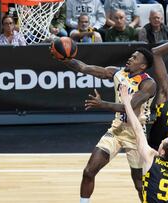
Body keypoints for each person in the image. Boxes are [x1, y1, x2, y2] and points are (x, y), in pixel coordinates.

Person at [55, 47, 157, 203]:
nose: (130, 59)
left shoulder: (148, 83)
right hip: (117, 129)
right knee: (89, 171)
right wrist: (64, 58)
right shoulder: (118, 73)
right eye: (131, 56)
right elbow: (84, 68)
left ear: (143, 66)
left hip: (136, 134)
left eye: (135, 58)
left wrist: (102, 104)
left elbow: (128, 107)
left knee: (139, 183)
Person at [120, 84, 168, 203]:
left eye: (162, 143)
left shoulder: (150, 158)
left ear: (163, 151)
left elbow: (137, 129)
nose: (160, 142)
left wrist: (127, 103)